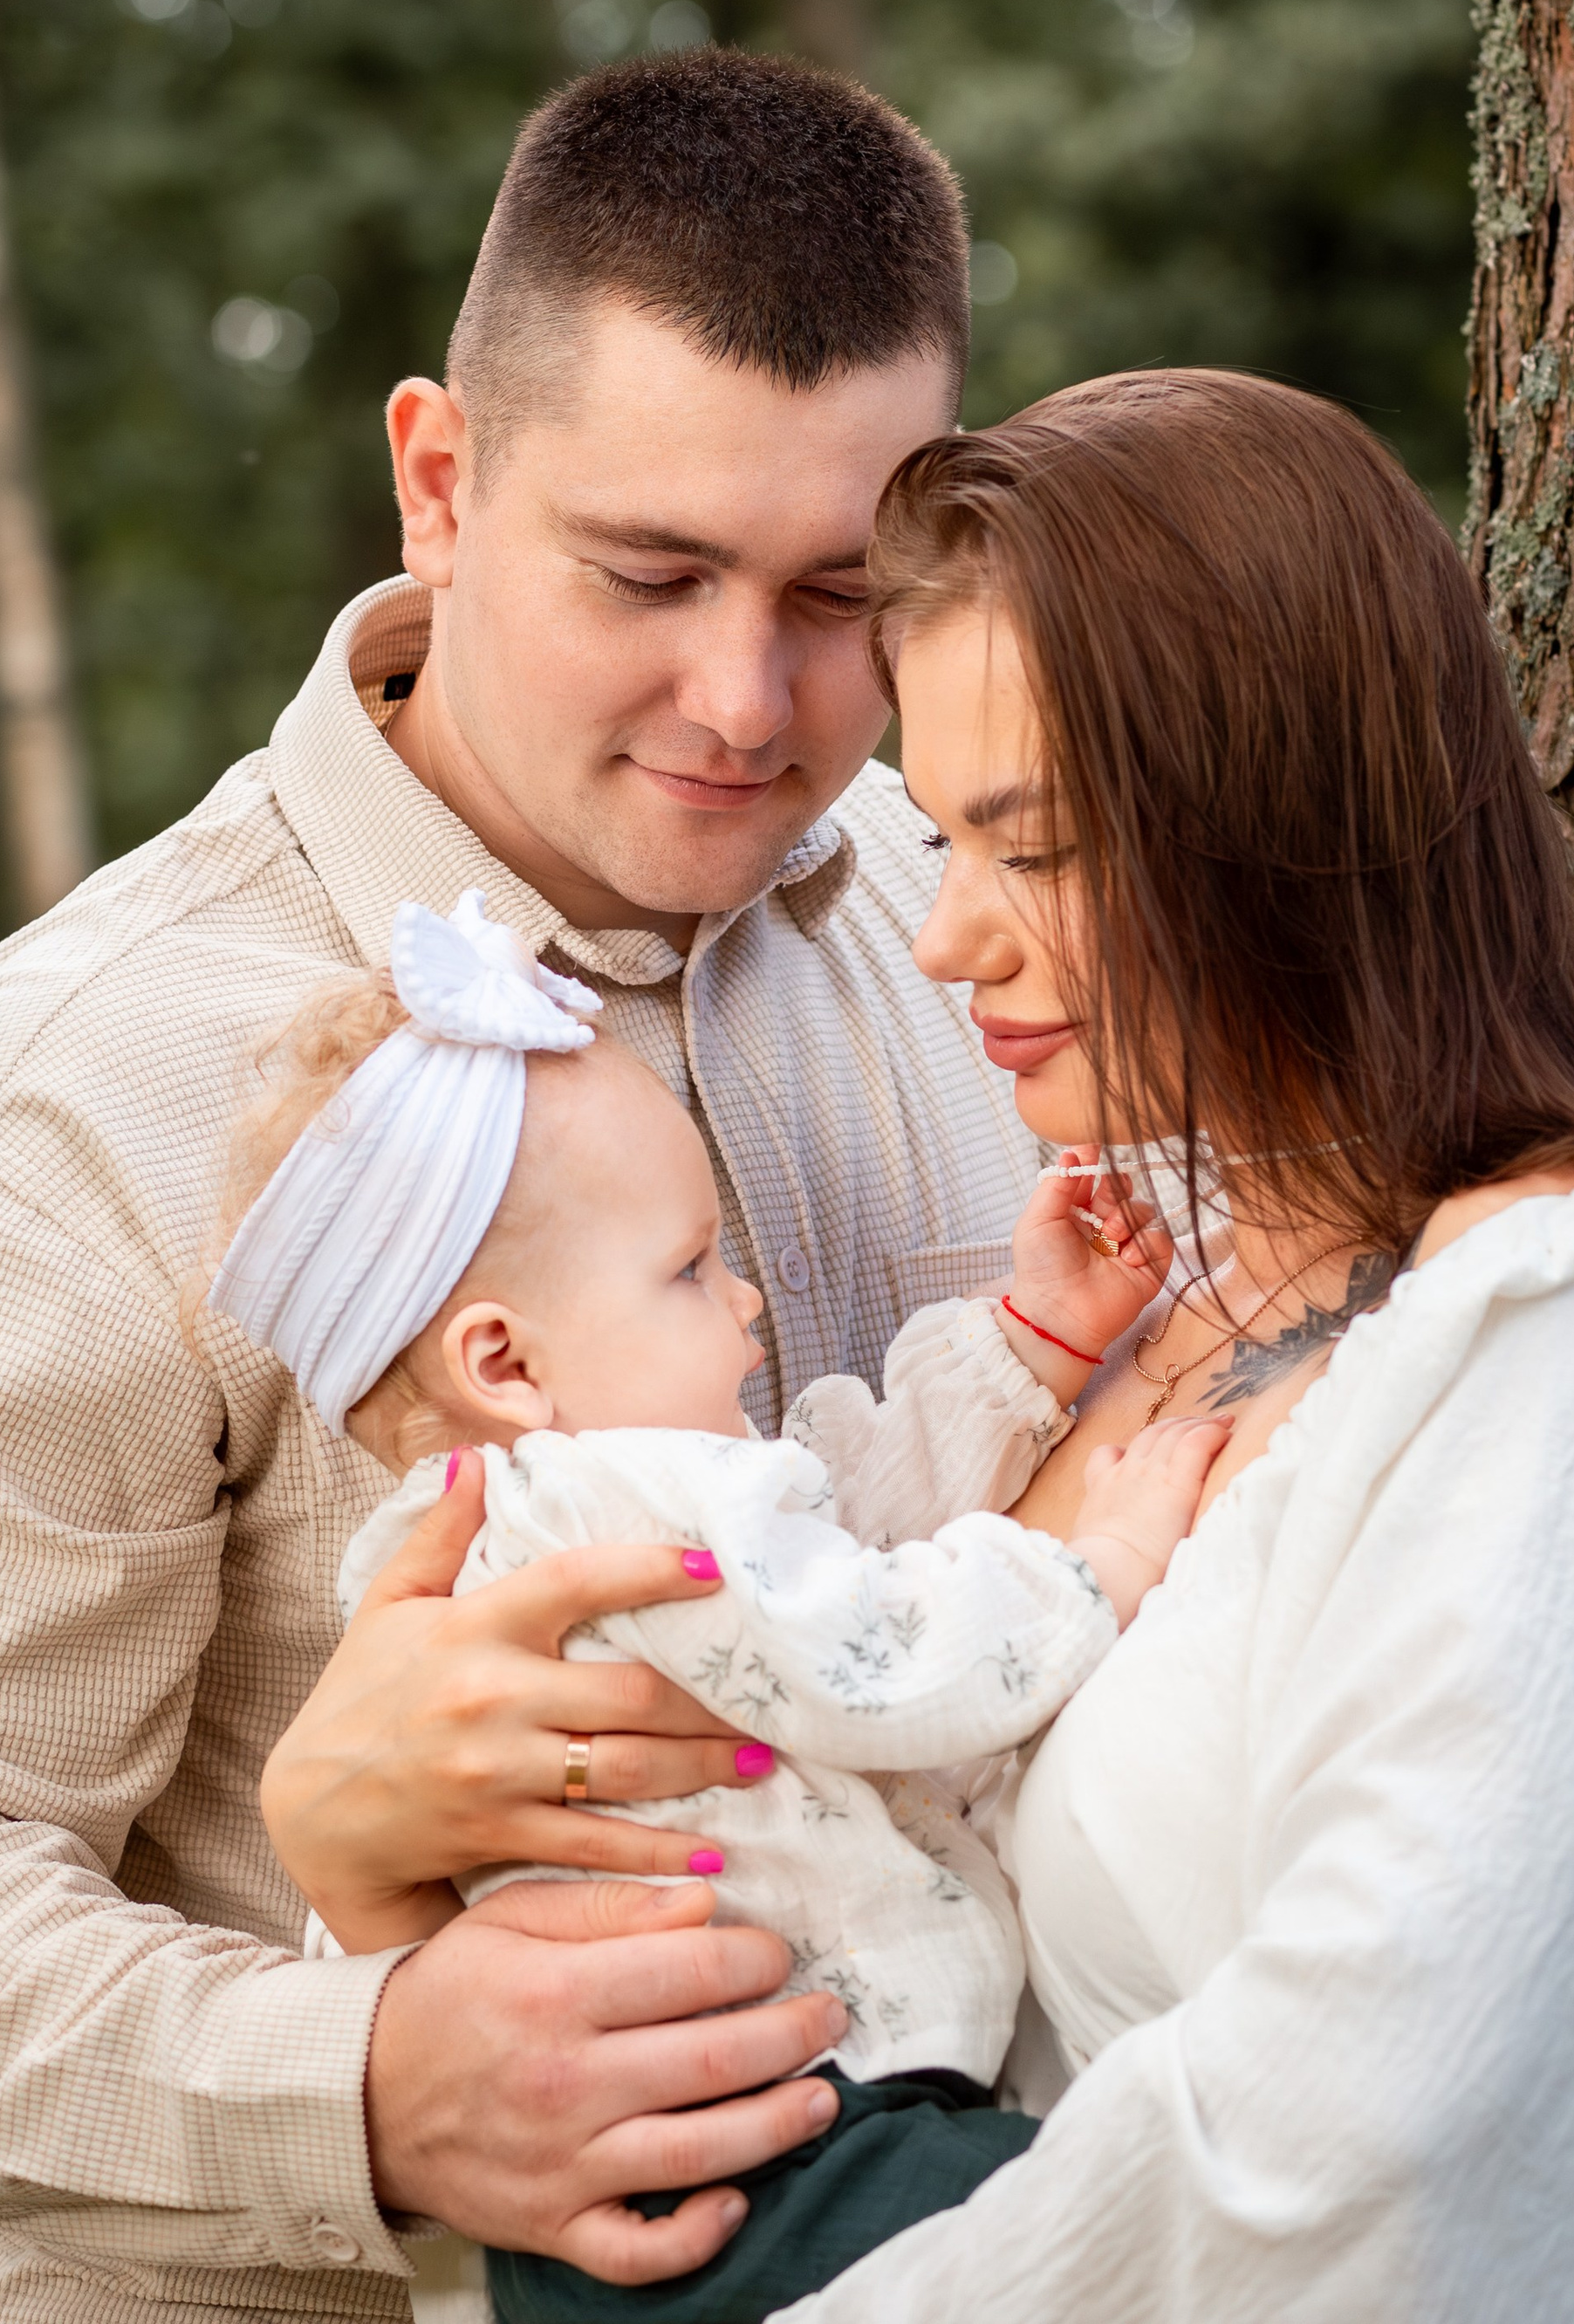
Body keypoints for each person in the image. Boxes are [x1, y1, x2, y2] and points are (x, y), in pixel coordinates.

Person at [0, 51, 1048, 2323]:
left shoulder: (990, 921)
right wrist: (366, 2077)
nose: (751, 694)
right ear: (438, 475)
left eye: (840, 589)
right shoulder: (62, 1091)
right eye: (652, 567)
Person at [758, 367, 1574, 2322]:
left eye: (1034, 846)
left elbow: (1389, 2156)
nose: (942, 939)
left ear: (1282, 825)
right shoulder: (1129, 1293)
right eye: (935, 843)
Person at [198, 886, 1225, 2323]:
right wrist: (1094, 1565)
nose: (742, 1306)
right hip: (789, 2142)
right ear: (507, 1362)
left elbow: (840, 1519)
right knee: (1154, 2240)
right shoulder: (622, 1505)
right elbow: (875, 1652)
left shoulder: (439, 1567)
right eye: (690, 1268)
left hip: (607, 2201)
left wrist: (1027, 1350)